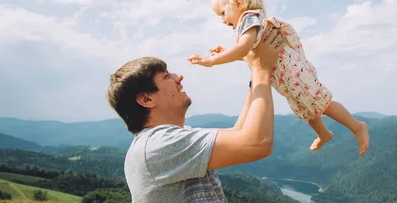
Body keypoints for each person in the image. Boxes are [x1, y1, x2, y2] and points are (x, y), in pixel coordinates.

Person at [188, 0, 370, 155]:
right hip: (287, 79)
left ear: (238, 3)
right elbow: (250, 53)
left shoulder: (249, 18)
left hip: (294, 74)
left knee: (321, 102)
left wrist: (212, 60)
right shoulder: (249, 23)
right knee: (305, 108)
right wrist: (226, 52)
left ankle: (357, 126)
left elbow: (243, 49)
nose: (222, 20)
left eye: (223, 13)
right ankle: (323, 133)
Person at [107, 25, 285, 202]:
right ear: (146, 100)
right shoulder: (158, 145)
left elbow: (240, 133)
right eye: (166, 77)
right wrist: (262, 70)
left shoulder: (170, 139)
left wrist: (256, 73)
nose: (179, 77)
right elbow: (257, 143)